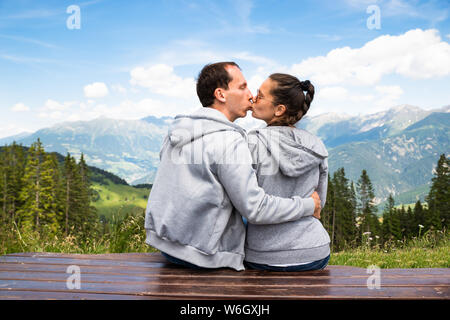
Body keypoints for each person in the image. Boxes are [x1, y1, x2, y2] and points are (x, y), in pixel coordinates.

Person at [144, 62, 322, 271]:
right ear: (220, 94)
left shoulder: (179, 130)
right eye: (242, 87)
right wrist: (309, 205)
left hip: (166, 244)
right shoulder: (229, 141)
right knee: (267, 233)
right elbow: (256, 209)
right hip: (202, 254)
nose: (250, 96)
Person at [243, 73, 331, 271]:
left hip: (263, 256)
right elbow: (319, 203)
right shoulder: (316, 145)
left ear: (279, 109)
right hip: (315, 253)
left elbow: (246, 205)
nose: (253, 98)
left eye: (260, 95)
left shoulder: (251, 143)